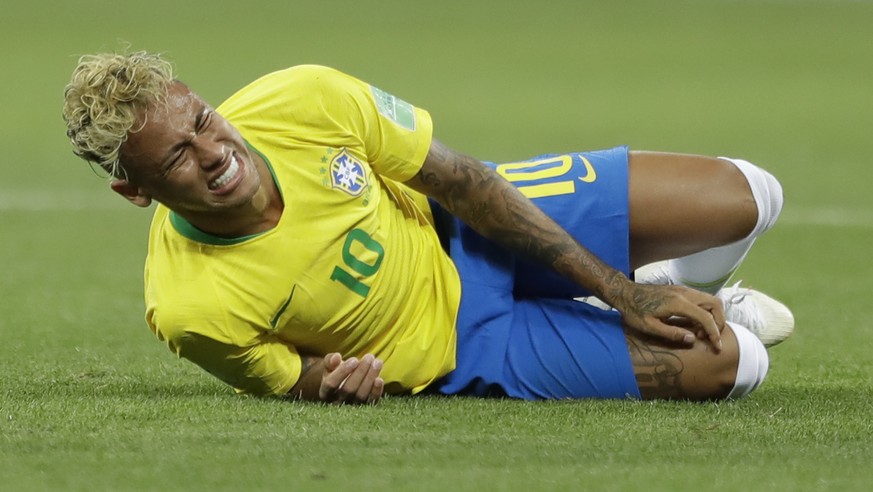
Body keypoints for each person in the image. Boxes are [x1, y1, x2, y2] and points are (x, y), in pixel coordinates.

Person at [62, 51, 793, 405]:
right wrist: (332, 385)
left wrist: (621, 290)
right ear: (137, 191)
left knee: (747, 195)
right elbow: (290, 381)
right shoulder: (191, 310)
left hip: (468, 226)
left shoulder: (302, 98)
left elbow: (464, 181)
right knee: (737, 367)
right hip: (463, 348)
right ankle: (670, 308)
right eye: (178, 159)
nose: (216, 153)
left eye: (204, 121)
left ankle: (658, 287)